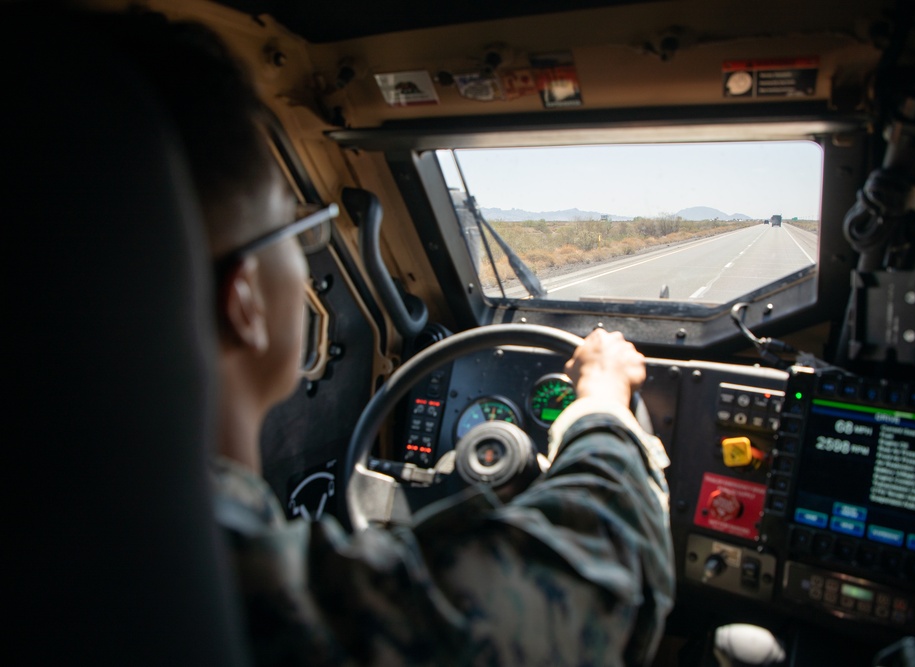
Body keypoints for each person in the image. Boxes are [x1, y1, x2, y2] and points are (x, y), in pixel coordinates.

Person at [99, 12, 675, 666]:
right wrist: (601, 404)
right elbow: (597, 578)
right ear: (244, 302)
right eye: (301, 230)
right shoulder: (243, 592)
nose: (310, 255)